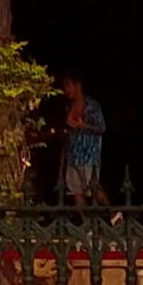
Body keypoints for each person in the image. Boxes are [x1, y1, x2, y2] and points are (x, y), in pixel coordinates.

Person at [55, 75, 109, 206]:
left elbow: (102, 128)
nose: (66, 90)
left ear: (77, 85)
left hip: (88, 155)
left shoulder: (92, 106)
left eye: (68, 86)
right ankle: (86, 225)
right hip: (73, 155)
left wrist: (84, 126)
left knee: (94, 188)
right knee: (76, 192)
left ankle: (113, 214)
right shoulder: (69, 107)